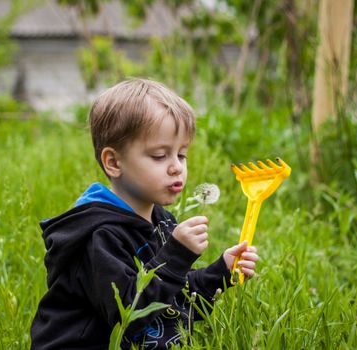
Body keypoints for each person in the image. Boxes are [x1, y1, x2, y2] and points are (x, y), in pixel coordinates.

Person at [30, 78, 259, 349]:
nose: (176, 167)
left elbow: (171, 297)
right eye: (160, 156)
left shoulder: (161, 221)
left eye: (181, 155)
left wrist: (221, 271)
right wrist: (175, 256)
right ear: (114, 162)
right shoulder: (100, 236)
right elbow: (128, 315)